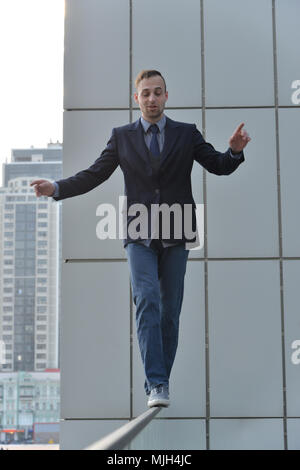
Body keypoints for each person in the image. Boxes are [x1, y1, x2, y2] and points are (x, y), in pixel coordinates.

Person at [31, 69, 250, 408]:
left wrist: (233, 152)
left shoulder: (186, 133)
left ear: (166, 96)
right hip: (139, 233)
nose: (151, 98)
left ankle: (159, 379)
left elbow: (217, 165)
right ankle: (157, 384)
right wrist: (57, 188)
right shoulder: (122, 137)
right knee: (147, 298)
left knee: (170, 312)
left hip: (177, 232)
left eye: (157, 92)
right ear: (137, 99)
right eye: (145, 93)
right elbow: (94, 174)